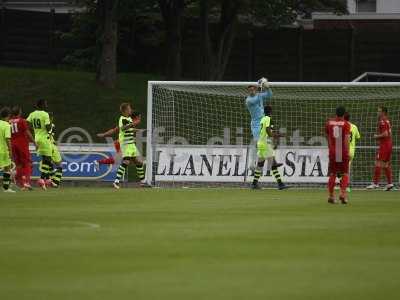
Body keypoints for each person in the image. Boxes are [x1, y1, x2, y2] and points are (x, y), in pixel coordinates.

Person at [251, 105, 287, 190]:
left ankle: (254, 184)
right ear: (271, 112)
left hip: (261, 143)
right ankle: (280, 184)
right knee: (273, 164)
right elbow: (269, 132)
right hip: (265, 143)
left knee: (260, 164)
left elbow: (269, 131)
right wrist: (279, 135)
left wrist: (275, 139)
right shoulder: (268, 119)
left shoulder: (263, 119)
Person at [113, 103, 148, 189]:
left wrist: (139, 130)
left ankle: (143, 182)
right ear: (125, 111)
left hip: (131, 143)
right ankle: (116, 182)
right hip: (125, 143)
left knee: (139, 162)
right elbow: (123, 128)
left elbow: (130, 129)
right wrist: (134, 123)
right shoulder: (122, 119)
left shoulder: (129, 118)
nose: (130, 110)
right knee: (126, 162)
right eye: (129, 109)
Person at [245, 78, 273, 170]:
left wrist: (267, 87)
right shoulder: (248, 100)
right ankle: (252, 163)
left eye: (253, 89)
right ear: (248, 91)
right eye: (250, 89)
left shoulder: (259, 95)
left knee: (265, 143)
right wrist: (261, 87)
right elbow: (256, 100)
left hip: (264, 122)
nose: (252, 90)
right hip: (256, 124)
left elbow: (270, 95)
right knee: (258, 143)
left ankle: (261, 164)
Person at [325, 106, 351, 204]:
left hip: (333, 150)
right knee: (344, 173)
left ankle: (331, 196)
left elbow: (327, 136)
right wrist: (347, 152)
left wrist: (330, 147)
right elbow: (346, 139)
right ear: (344, 114)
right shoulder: (346, 124)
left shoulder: (329, 123)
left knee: (333, 173)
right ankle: (343, 195)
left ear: (335, 113)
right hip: (342, 151)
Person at [27, 99, 52, 190]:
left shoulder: (32, 114)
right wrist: (50, 123)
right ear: (42, 105)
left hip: (37, 137)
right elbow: (48, 128)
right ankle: (42, 179)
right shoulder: (45, 114)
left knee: (45, 159)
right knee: (48, 159)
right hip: (44, 138)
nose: (46, 105)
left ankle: (48, 179)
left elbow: (27, 124)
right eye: (45, 104)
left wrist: (33, 129)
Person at [366, 106, 394, 191]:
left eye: (379, 111)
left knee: (378, 163)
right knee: (385, 165)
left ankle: (375, 183)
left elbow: (385, 134)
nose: (378, 113)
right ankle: (390, 183)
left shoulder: (382, 121)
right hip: (389, 144)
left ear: (383, 112)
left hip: (384, 145)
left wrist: (376, 136)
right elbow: (390, 134)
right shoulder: (387, 121)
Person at [9, 106, 36, 190]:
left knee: (19, 164)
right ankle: (26, 182)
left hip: (13, 144)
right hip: (22, 144)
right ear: (19, 112)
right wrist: (34, 142)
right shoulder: (22, 121)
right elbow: (27, 132)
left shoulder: (9, 122)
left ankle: (19, 183)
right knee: (28, 163)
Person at [343, 112, 361, 192]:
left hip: (343, 150)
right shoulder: (354, 126)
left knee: (340, 169)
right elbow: (358, 137)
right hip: (351, 151)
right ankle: (345, 185)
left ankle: (345, 186)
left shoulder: (342, 126)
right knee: (346, 169)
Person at [0, 107, 15, 193]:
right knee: (7, 168)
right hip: (3, 151)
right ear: (8, 115)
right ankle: (6, 188)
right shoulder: (6, 125)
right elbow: (8, 139)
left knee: (7, 167)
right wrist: (10, 151)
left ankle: (6, 188)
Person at [48, 113, 63, 188]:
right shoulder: (50, 125)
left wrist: (54, 141)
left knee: (52, 163)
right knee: (58, 165)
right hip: (50, 146)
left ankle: (54, 182)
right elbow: (49, 136)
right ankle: (54, 182)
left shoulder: (50, 126)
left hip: (48, 145)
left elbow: (50, 136)